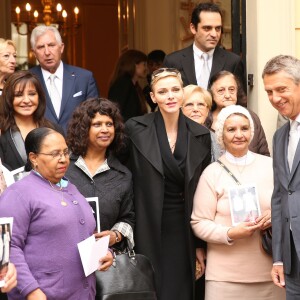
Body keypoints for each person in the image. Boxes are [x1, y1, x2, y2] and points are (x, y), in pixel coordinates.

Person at [125, 68, 211, 300]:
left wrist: (200, 244)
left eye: (175, 90)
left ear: (182, 93)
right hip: (147, 221)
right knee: (151, 286)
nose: (170, 96)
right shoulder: (135, 128)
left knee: (181, 288)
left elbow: (204, 193)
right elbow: (124, 174)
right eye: (163, 91)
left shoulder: (200, 134)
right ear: (153, 97)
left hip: (184, 225)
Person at [0, 127, 113, 299]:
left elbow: (87, 235)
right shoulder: (18, 194)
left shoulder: (72, 188)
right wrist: (31, 290)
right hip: (43, 294)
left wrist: (106, 253)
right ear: (34, 158)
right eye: (54, 154)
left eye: (65, 152)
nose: (63, 159)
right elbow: (8, 247)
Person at [191, 105, 285, 300]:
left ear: (252, 132)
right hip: (224, 278)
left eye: (244, 128)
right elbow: (198, 222)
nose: (239, 134)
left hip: (270, 273)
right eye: (231, 129)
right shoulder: (212, 173)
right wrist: (230, 233)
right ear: (221, 135)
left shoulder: (271, 166)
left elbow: (290, 205)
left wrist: (275, 215)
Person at [66, 98, 135, 249]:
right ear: (83, 128)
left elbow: (128, 217)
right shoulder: (63, 167)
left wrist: (116, 235)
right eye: (97, 124)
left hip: (107, 262)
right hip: (65, 256)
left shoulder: (122, 175)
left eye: (109, 124)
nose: (105, 130)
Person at [262, 54, 300, 299]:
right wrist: (278, 257)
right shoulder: (279, 136)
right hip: (292, 261)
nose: (275, 98)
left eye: (281, 89)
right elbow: (279, 198)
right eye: (268, 92)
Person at [30, 25, 99, 132]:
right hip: (40, 145)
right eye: (41, 47)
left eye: (51, 45)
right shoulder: (27, 79)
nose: (47, 52)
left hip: (77, 145)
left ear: (61, 47)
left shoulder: (84, 78)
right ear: (34, 53)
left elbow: (94, 116)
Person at [163, 2, 245, 91]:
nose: (214, 34)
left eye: (218, 28)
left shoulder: (233, 62)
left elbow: (239, 99)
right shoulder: (173, 61)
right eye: (207, 28)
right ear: (193, 28)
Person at [0, 71, 60, 171]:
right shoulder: (2, 132)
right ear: (8, 98)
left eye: (32, 94)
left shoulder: (53, 129)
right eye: (19, 95)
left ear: (39, 97)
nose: (26, 100)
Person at [207, 70, 270, 156]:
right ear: (211, 93)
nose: (227, 95)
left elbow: (263, 154)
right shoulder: (205, 119)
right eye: (221, 90)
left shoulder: (251, 117)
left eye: (231, 89)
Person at [182, 84, 221, 161]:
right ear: (180, 110)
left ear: (207, 110)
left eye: (201, 104)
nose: (195, 109)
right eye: (189, 104)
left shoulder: (218, 140)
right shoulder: (172, 139)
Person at [108, 49, 148, 121]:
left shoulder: (134, 85)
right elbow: (116, 112)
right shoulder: (122, 83)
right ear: (135, 65)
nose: (146, 68)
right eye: (144, 64)